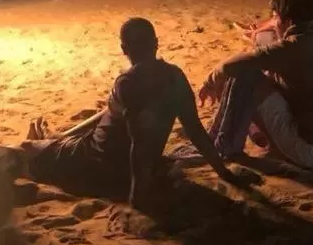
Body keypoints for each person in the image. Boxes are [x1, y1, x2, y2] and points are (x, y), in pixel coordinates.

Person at [18, 17, 239, 210]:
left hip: (100, 163)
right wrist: (222, 172)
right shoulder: (175, 77)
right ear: (156, 44)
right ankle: (59, 138)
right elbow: (196, 131)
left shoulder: (127, 83)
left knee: (27, 149)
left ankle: (51, 144)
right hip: (121, 157)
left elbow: (138, 143)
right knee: (93, 124)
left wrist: (138, 196)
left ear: (124, 49)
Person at [200, 0, 313, 168]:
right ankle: (250, 133)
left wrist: (209, 83)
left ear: (289, 21)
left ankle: (225, 146)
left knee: (245, 76)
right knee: (263, 78)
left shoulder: (294, 47)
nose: (274, 24)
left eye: (276, 18)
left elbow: (229, 66)